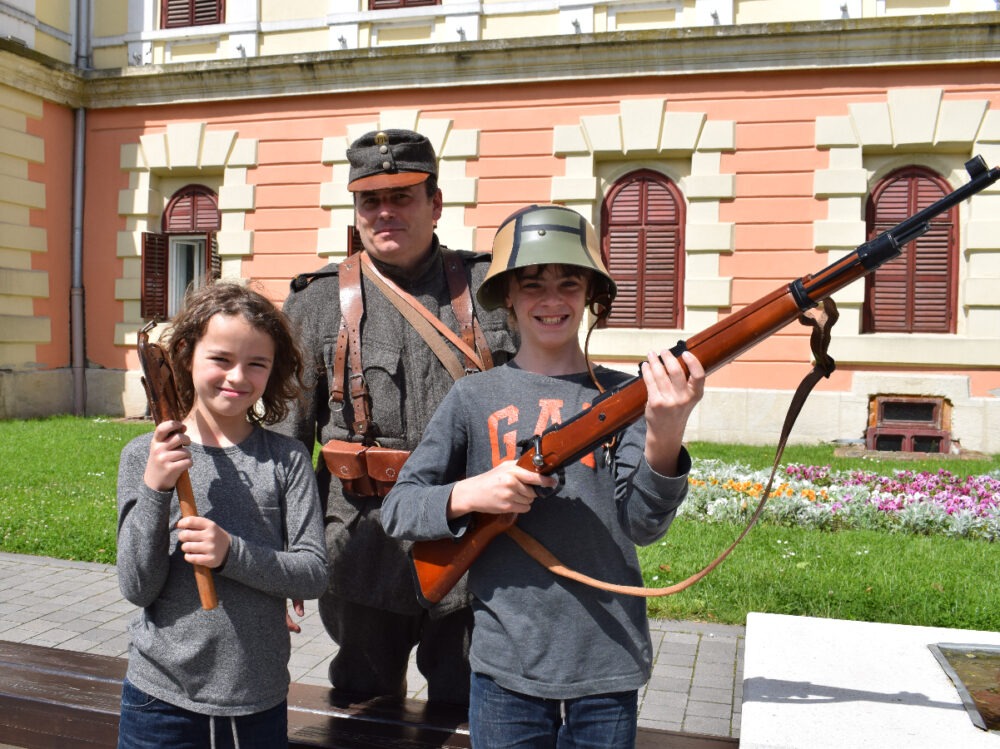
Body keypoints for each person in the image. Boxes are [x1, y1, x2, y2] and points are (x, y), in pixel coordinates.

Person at [381, 204, 705, 747]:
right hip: (506, 663)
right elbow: (399, 509)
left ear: (590, 295)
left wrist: (665, 432)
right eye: (532, 285)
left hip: (608, 659)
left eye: (569, 283)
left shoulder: (626, 398)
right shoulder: (472, 396)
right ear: (506, 295)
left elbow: (645, 526)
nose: (552, 300)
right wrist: (472, 492)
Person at [274, 128, 516, 705]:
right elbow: (284, 442)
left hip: (470, 544)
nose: (385, 212)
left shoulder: (490, 289)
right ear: (355, 210)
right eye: (370, 200)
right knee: (362, 706)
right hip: (361, 547)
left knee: (466, 706)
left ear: (435, 204)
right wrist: (281, 559)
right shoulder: (316, 301)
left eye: (402, 197)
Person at [116, 282, 327, 748]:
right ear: (186, 356)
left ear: (274, 373)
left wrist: (232, 552)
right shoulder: (144, 457)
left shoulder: (287, 459)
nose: (237, 377)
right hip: (161, 700)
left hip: (257, 700)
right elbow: (136, 587)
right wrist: (155, 489)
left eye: (257, 364)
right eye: (221, 359)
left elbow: (312, 574)